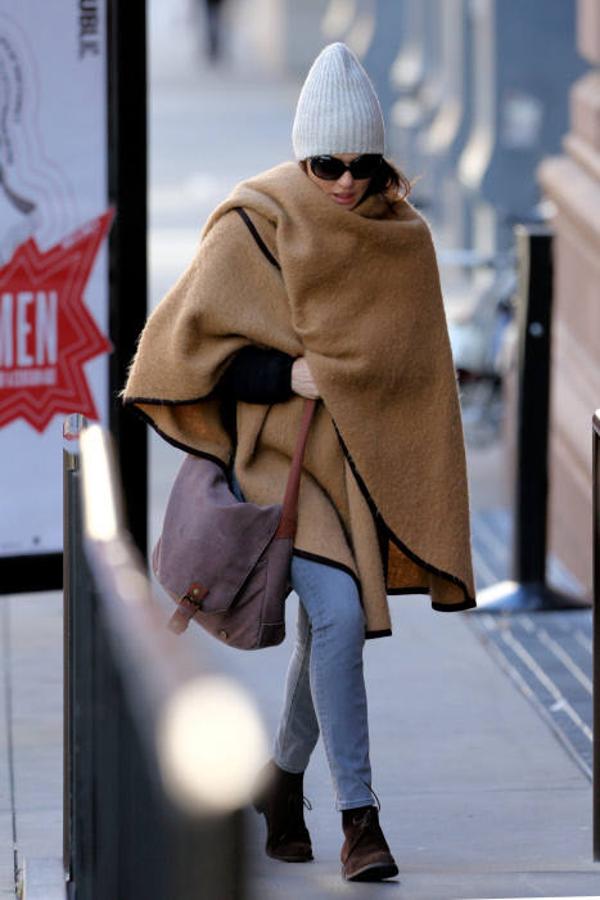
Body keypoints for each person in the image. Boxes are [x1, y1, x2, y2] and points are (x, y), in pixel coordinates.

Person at [122, 42, 476, 883]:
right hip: (280, 464)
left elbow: (419, 374)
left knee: (326, 629)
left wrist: (361, 396)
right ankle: (360, 817)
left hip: (356, 474)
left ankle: (281, 783)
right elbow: (190, 356)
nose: (345, 182)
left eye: (361, 164)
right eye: (325, 163)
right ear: (299, 152)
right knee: (343, 622)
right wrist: (289, 372)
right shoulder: (258, 222)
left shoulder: (403, 240)